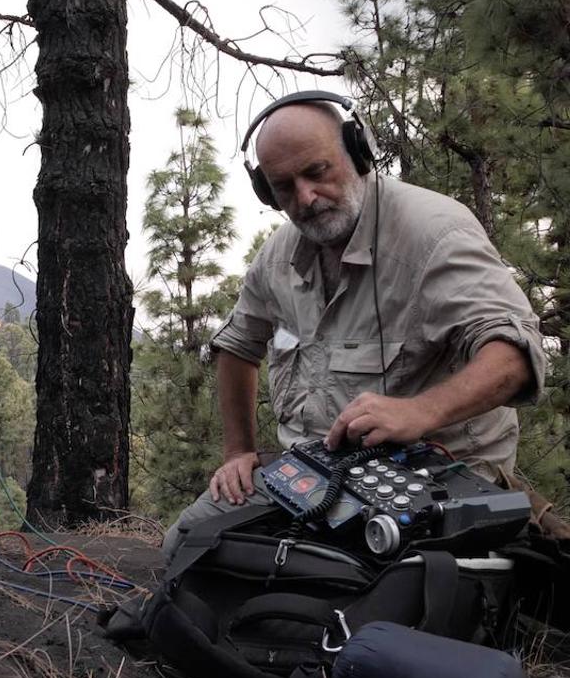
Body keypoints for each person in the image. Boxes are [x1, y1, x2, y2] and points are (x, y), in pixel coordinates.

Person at [161, 92, 546, 557]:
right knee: (186, 547)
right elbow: (238, 346)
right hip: (311, 474)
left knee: (351, 591)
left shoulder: (435, 232)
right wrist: (238, 452)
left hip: (429, 482)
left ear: (359, 151)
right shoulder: (278, 255)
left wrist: (421, 411)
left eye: (317, 171)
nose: (305, 198)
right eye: (284, 187)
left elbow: (514, 355)